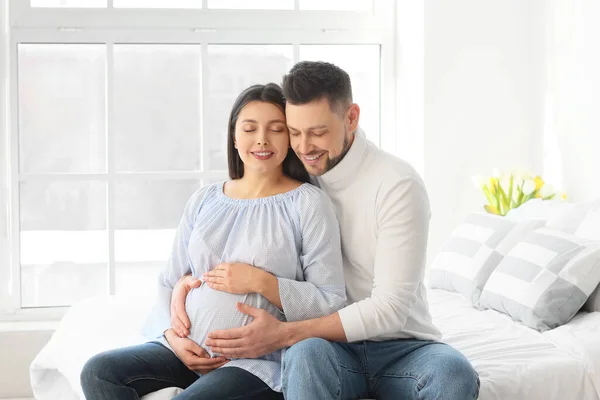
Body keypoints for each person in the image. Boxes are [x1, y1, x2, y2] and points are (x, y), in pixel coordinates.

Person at [171, 62, 480, 400]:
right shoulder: (298, 178)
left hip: (401, 346)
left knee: (453, 373)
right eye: (294, 132)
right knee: (304, 354)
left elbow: (390, 308)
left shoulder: (396, 184)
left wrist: (283, 334)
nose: (304, 147)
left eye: (317, 132)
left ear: (351, 118)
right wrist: (180, 296)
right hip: (327, 348)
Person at [79, 83, 347, 400]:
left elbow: (331, 300)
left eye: (276, 129)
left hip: (254, 362)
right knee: (98, 372)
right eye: (249, 129)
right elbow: (170, 279)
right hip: (185, 349)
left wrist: (263, 282)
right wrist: (172, 335)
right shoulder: (205, 199)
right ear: (234, 137)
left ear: (290, 138)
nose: (262, 139)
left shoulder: (309, 204)